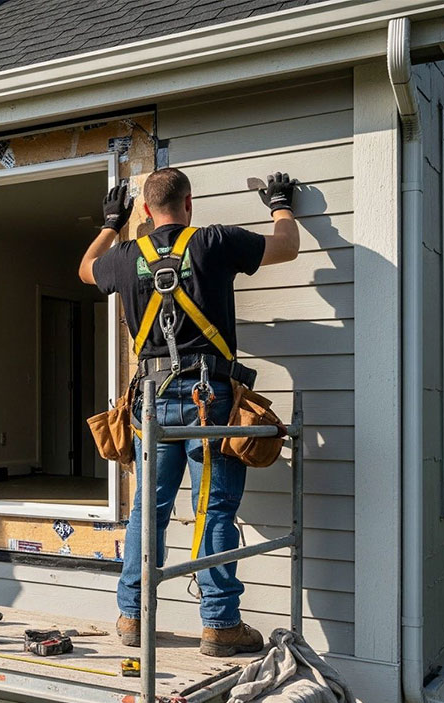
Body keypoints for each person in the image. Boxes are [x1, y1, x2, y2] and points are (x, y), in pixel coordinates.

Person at [78, 167, 300, 656]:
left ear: (145, 211)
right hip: (208, 399)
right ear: (189, 204)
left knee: (148, 510)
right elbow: (287, 245)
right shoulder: (214, 241)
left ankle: (133, 617)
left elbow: (85, 268)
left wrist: (112, 223)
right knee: (212, 508)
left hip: (151, 401)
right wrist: (280, 202)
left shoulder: (125, 257)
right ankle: (220, 624)